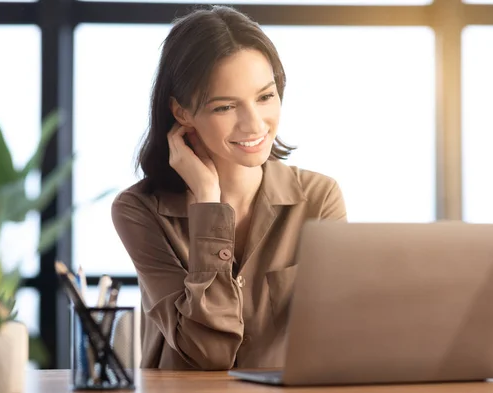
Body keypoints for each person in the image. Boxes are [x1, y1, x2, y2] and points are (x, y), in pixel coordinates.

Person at [111, 5, 346, 371]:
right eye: (225, 107)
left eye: (265, 97)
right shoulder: (139, 210)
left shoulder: (319, 198)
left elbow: (336, 339)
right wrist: (208, 203)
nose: (254, 124)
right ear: (182, 113)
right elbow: (209, 354)